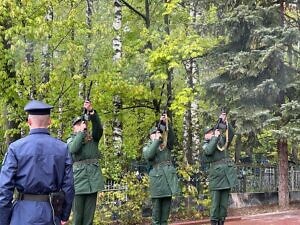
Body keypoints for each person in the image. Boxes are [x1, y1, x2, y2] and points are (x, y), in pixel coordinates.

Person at [0, 100, 75, 225]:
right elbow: (69, 186)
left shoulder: (15, 148)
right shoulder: (62, 148)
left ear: (29, 122)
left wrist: (3, 220)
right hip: (51, 214)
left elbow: (4, 188)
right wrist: (64, 216)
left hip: (22, 215)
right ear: (49, 122)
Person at [67, 100, 104, 225]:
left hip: (92, 181)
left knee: (89, 219)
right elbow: (74, 149)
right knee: (77, 217)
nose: (81, 125)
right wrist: (81, 133)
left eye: (82, 123)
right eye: (77, 124)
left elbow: (98, 128)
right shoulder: (70, 140)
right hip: (78, 182)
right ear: (74, 128)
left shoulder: (92, 139)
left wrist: (92, 112)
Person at [143, 113, 180, 225]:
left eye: (157, 133)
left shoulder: (166, 145)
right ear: (150, 136)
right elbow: (149, 155)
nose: (156, 135)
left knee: (165, 217)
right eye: (154, 133)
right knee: (156, 216)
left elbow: (172, 138)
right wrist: (156, 141)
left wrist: (165, 123)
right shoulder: (147, 146)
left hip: (168, 181)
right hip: (157, 183)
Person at [202, 112, 237, 225]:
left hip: (226, 175)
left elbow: (231, 135)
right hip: (216, 177)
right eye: (208, 133)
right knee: (215, 203)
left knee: (223, 204)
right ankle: (214, 222)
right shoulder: (205, 144)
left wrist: (226, 122)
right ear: (205, 135)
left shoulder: (221, 140)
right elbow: (209, 151)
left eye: (211, 131)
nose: (211, 133)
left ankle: (221, 221)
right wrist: (215, 137)